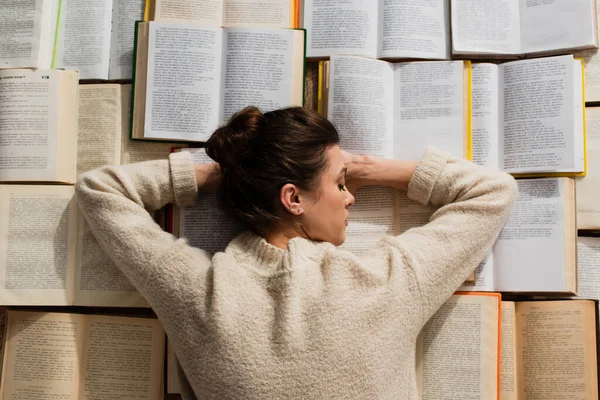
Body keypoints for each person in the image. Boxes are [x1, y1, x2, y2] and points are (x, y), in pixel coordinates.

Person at [76, 106, 517, 399]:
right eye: (341, 183)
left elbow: (101, 190)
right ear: (293, 198)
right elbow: (492, 191)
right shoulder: (386, 284)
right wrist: (371, 167)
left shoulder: (197, 291)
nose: (350, 198)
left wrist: (220, 176)